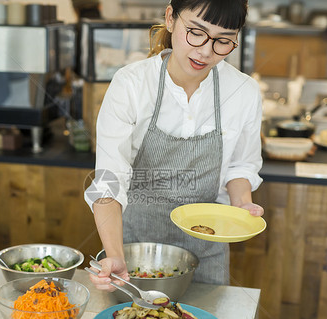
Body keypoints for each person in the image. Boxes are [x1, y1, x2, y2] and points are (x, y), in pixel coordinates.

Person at [84, 0, 264, 290]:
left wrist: (242, 204)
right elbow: (109, 182)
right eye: (196, 32)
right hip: (134, 250)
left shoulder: (244, 91)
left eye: (223, 41)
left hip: (207, 252)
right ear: (170, 18)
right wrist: (115, 255)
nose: (206, 51)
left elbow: (240, 166)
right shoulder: (131, 84)